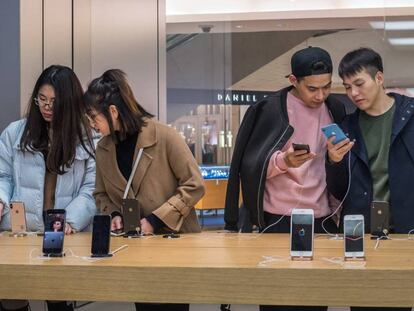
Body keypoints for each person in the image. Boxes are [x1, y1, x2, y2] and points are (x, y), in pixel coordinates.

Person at [224, 47, 347, 311]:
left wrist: (337, 161)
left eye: (326, 87)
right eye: (312, 88)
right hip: (278, 220)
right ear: (293, 80)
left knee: (316, 303)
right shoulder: (267, 110)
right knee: (277, 301)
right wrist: (283, 161)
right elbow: (248, 168)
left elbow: (340, 167)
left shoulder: (335, 108)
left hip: (322, 220)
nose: (320, 95)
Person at [84, 69, 204, 311]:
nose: (91, 124)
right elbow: (100, 194)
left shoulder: (165, 136)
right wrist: (115, 215)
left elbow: (194, 185)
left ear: (113, 112)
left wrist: (155, 220)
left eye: (93, 117)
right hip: (136, 248)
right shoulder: (103, 149)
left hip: (173, 244)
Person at [0, 65, 96, 311]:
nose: (46, 107)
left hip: (63, 233)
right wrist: (0, 199)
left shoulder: (87, 139)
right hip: (19, 232)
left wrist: (70, 220)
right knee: (12, 297)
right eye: (41, 99)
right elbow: (3, 176)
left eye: (54, 102)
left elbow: (92, 189)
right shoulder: (15, 133)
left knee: (58, 297)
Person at [326, 47, 414, 311]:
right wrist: (334, 162)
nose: (353, 93)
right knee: (364, 305)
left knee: (399, 301)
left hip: (405, 231)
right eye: (347, 86)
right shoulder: (346, 127)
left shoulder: (410, 116)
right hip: (359, 233)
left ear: (379, 79)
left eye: (359, 84)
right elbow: (339, 190)